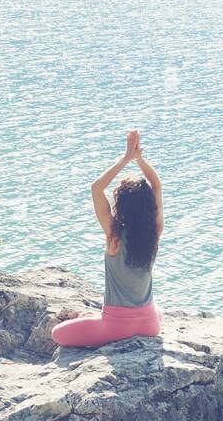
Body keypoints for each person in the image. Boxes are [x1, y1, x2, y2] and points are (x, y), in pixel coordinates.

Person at [51, 130, 163, 347]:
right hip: (150, 325)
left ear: (120, 206)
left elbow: (96, 188)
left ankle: (92, 320)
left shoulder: (114, 236)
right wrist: (140, 159)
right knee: (157, 311)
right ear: (148, 206)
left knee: (57, 333)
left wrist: (126, 158)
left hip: (116, 327)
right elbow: (157, 186)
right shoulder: (154, 232)